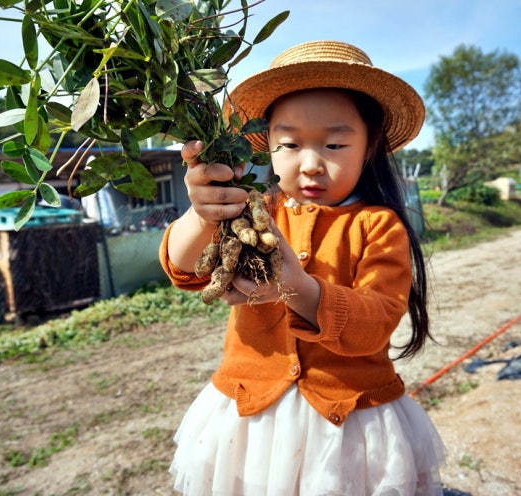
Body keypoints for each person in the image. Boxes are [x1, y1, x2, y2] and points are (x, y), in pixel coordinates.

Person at [159, 40, 445, 495]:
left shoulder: (377, 225)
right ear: (268, 144)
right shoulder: (256, 208)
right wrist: (202, 212)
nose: (310, 164)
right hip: (253, 417)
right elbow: (185, 269)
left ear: (369, 147)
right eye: (290, 143)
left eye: (334, 143)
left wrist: (296, 288)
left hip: (348, 426)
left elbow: (375, 321)